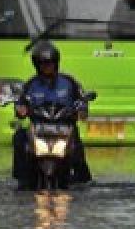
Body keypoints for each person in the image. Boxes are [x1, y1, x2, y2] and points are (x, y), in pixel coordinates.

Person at [11, 41, 92, 189]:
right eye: (42, 63)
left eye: (49, 63)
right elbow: (20, 102)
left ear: (56, 63)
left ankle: (82, 178)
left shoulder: (69, 82)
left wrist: (82, 109)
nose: (46, 66)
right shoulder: (30, 85)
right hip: (39, 130)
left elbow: (82, 99)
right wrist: (20, 109)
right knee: (19, 137)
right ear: (36, 65)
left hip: (64, 129)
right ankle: (23, 178)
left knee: (76, 146)